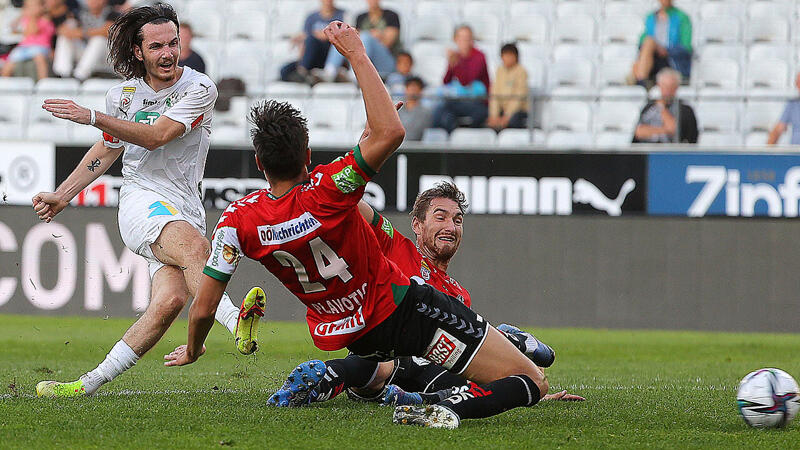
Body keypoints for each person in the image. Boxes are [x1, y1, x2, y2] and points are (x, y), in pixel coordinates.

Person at [164, 21, 550, 430]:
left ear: (259, 163)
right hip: (408, 312)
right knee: (531, 378)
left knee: (384, 372)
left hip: (355, 336)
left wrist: (194, 346)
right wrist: (356, 54)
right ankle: (450, 408)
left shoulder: (237, 221)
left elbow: (204, 305)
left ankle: (393, 387)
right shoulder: (328, 189)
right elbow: (392, 132)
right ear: (308, 155)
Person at [32, 3, 256, 398]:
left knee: (169, 302)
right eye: (156, 47)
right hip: (141, 200)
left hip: (185, 205)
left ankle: (85, 385)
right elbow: (108, 149)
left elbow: (157, 136)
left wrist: (92, 116)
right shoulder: (123, 95)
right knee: (196, 249)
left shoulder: (200, 88)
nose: (168, 53)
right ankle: (236, 321)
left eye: (173, 43)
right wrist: (64, 194)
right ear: (138, 52)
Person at [272, 183, 582, 408]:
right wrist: (311, 180)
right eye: (441, 216)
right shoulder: (397, 246)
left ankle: (409, 396)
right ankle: (326, 378)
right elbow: (356, 206)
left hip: (425, 366)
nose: (451, 226)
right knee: (385, 365)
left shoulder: (459, 296)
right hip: (387, 353)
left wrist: (523, 384)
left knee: (465, 378)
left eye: (457, 220)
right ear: (417, 225)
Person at [320, 0, 399, 80]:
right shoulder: (361, 17)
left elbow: (388, 43)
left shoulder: (391, 15)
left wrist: (372, 37)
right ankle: (329, 71)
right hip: (366, 59)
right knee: (341, 37)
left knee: (365, 36)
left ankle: (354, 74)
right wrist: (375, 35)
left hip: (385, 61)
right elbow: (354, 38)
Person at [432, 25, 490, 133]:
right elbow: (446, 81)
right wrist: (451, 63)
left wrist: (456, 63)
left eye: (467, 38)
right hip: (460, 100)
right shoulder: (456, 56)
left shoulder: (479, 56)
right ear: (455, 40)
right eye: (461, 38)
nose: (464, 42)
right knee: (440, 110)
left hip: (477, 101)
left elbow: (466, 81)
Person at [52, 0, 118, 80]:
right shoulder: (80, 13)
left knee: (98, 39)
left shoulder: (112, 13)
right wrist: (73, 32)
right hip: (87, 54)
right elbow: (62, 30)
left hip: (107, 57)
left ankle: (80, 76)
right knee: (64, 38)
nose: (94, 2)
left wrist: (82, 33)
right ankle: (62, 73)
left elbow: (107, 31)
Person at [631, 0, 692, 87]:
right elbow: (642, 42)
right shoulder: (651, 17)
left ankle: (641, 82)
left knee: (649, 43)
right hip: (653, 58)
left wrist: (666, 51)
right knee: (646, 46)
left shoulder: (681, 17)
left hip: (672, 60)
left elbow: (686, 47)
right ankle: (642, 80)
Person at [633, 68, 697, 144]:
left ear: (677, 87)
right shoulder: (648, 107)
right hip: (646, 150)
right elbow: (638, 132)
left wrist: (662, 107)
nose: (668, 90)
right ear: (659, 86)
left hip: (671, 152)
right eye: (665, 86)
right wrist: (664, 130)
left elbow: (674, 130)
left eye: (671, 86)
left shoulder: (685, 110)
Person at [1, 0, 54, 80]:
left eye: (34, 6)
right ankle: (4, 81)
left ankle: (43, 81)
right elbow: (14, 27)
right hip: (24, 47)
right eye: (28, 7)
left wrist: (33, 17)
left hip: (40, 47)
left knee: (40, 60)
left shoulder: (45, 19)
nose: (31, 9)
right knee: (9, 62)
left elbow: (34, 30)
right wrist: (22, 15)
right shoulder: (25, 19)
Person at [487, 43, 528, 131]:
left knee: (512, 122)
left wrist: (507, 116)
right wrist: (494, 115)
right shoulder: (499, 71)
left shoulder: (521, 71)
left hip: (518, 111)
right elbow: (494, 94)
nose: (506, 58)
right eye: (504, 56)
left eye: (509, 56)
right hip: (502, 110)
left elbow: (519, 98)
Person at [767, 73, 800, 145]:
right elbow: (778, 129)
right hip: (795, 153)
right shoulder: (793, 103)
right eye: (797, 82)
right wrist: (766, 152)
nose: (797, 85)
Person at [397, 76, 432, 141]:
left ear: (420, 91)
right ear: (406, 89)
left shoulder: (426, 112)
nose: (413, 92)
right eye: (410, 88)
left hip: (415, 147)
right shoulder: (398, 109)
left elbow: (418, 131)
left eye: (416, 89)